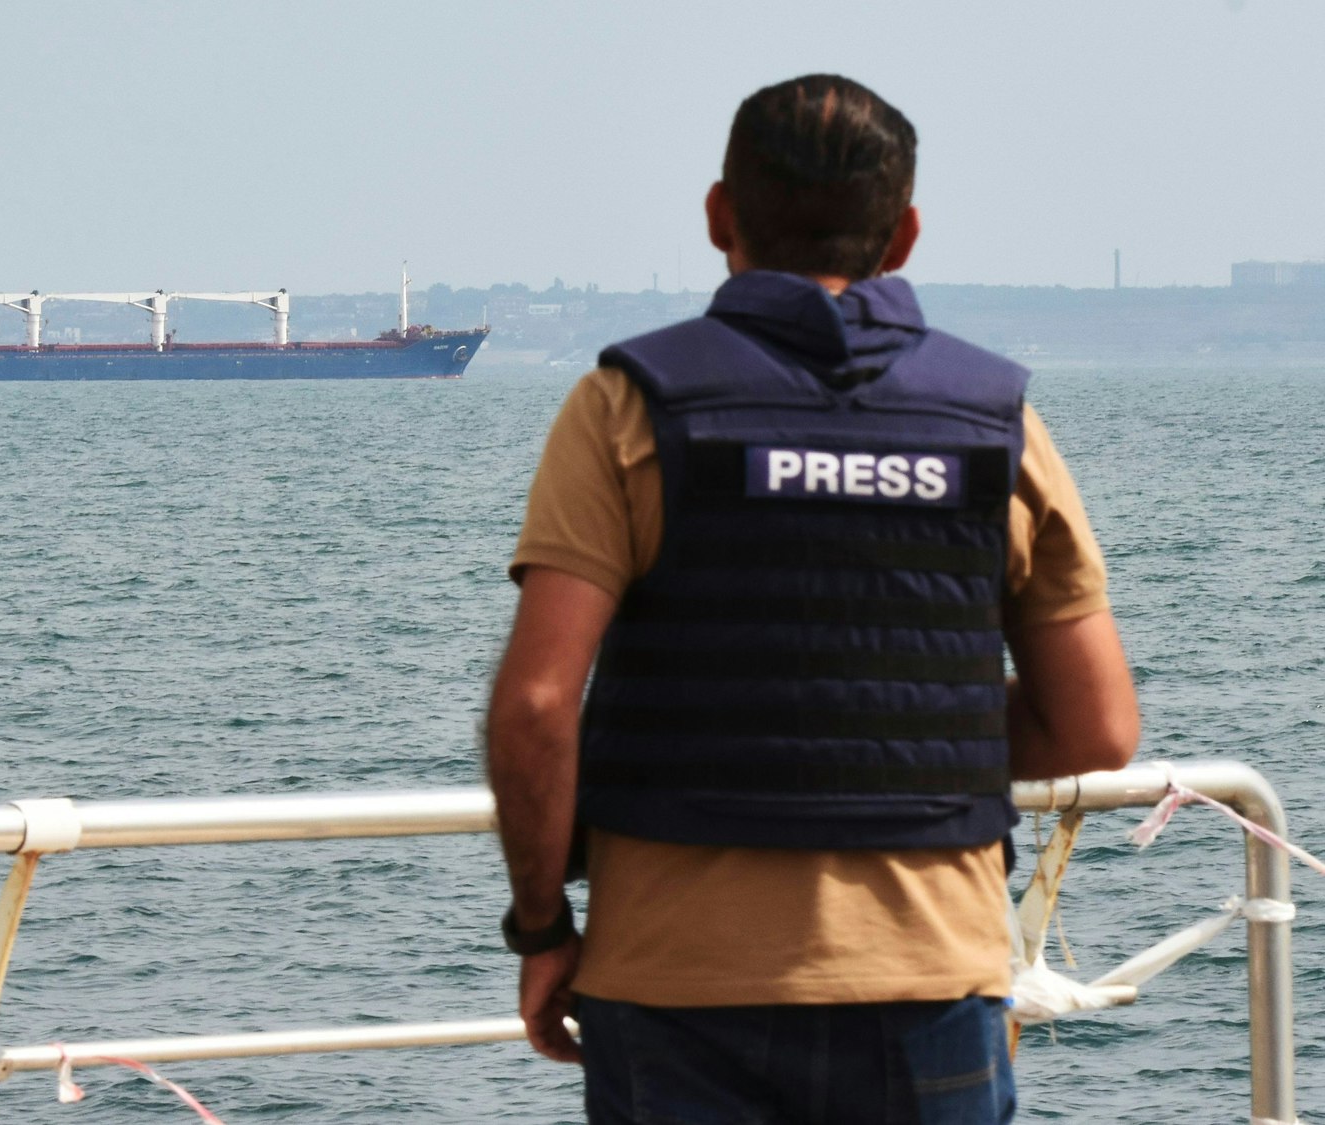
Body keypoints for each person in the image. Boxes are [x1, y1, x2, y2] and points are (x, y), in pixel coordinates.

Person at [483, 74, 1139, 1125]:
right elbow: (1097, 728)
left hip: (671, 985)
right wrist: (899, 732)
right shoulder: (997, 423)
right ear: (906, 231)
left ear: (716, 215)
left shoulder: (625, 408)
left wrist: (538, 929)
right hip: (930, 977)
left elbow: (533, 709)